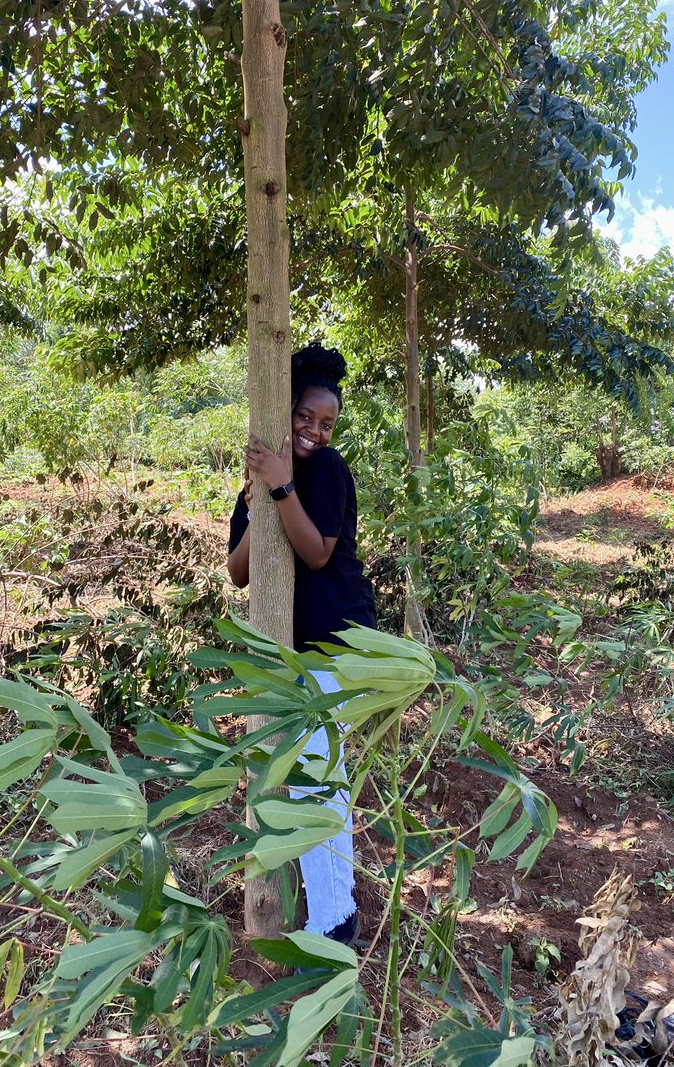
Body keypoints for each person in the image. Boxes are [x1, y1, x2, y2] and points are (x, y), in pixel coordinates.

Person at [227, 343, 376, 945]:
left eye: (327, 422)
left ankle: (334, 923)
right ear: (282, 413)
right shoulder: (261, 479)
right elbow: (239, 572)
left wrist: (284, 488)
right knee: (313, 777)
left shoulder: (329, 471)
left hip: (335, 643)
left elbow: (317, 552)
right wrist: (258, 499)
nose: (316, 430)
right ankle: (336, 910)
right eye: (305, 418)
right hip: (289, 651)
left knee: (319, 778)